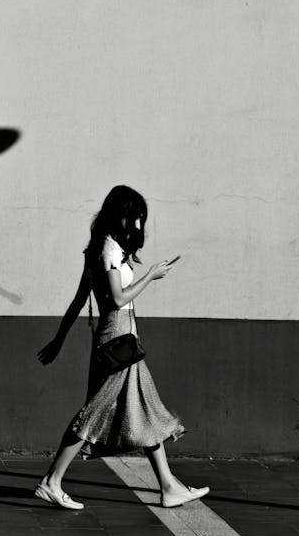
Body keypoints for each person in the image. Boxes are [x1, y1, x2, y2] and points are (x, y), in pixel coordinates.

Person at [34, 185, 209, 512]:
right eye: (137, 217)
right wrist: (151, 276)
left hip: (119, 335)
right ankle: (51, 481)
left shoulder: (104, 248)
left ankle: (169, 486)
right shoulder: (108, 250)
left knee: (145, 408)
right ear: (121, 215)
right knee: (94, 412)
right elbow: (117, 299)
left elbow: (78, 300)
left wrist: (59, 339)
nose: (140, 225)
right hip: (117, 335)